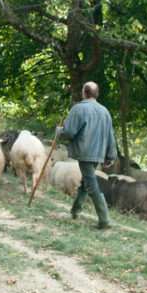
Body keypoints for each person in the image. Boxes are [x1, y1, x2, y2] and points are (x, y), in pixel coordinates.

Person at [56, 81, 117, 229]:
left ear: (84, 92)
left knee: (90, 183)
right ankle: (75, 212)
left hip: (85, 152)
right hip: (98, 154)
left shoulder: (79, 108)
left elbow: (69, 132)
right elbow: (110, 136)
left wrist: (59, 131)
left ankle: (104, 220)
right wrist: (110, 156)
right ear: (96, 94)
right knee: (85, 182)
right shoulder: (105, 111)